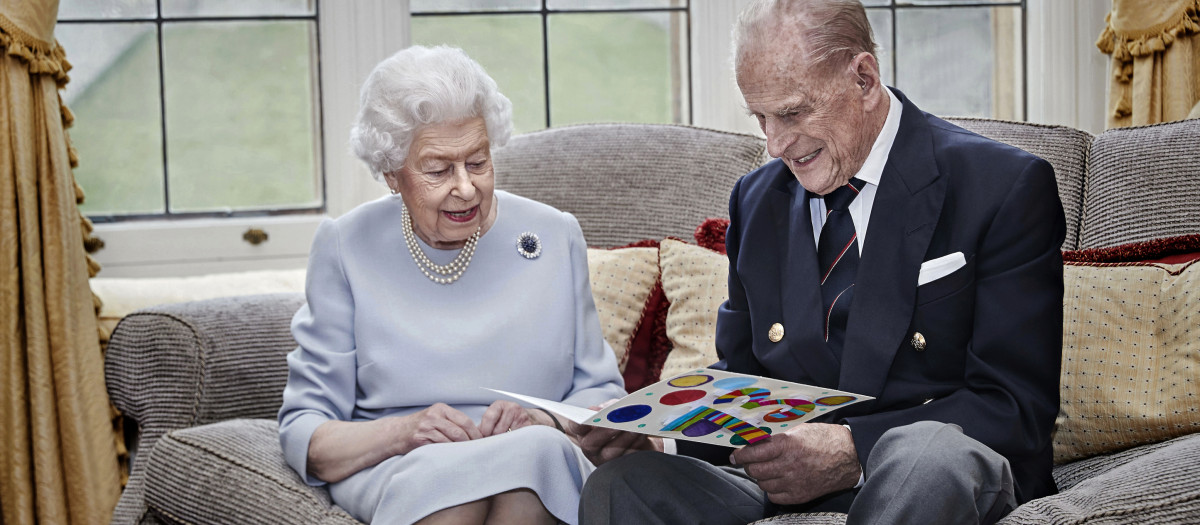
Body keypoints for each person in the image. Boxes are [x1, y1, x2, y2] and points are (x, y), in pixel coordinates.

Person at [576, 1, 1064, 524]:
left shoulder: (1002, 186)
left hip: (938, 476)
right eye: (760, 117)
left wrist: (853, 450)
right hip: (788, 486)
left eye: (791, 112)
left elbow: (1015, 407)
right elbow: (745, 379)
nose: (775, 144)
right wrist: (661, 442)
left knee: (926, 457)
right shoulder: (755, 200)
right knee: (624, 485)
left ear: (864, 79)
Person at [277, 45, 626, 525]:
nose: (465, 187)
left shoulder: (554, 234)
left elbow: (600, 394)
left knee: (532, 458)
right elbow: (307, 433)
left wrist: (543, 420)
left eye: (478, 162)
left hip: (536, 452)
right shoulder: (345, 245)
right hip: (400, 461)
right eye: (439, 170)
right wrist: (405, 432)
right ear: (391, 173)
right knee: (451, 489)